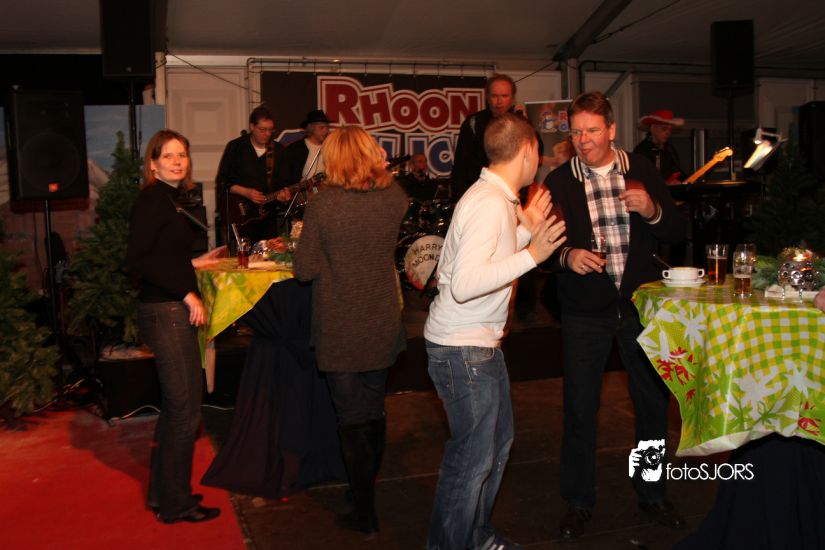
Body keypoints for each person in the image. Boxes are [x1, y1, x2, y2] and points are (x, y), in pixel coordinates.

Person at [544, 92, 688, 540]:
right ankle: (579, 501)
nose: (583, 140)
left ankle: (652, 493)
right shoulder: (559, 181)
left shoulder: (641, 169)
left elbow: (676, 230)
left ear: (611, 130)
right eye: (576, 132)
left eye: (592, 131)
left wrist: (653, 210)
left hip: (640, 305)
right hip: (585, 310)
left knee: (652, 405)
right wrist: (567, 257)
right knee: (580, 408)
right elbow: (540, 249)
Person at [425, 113, 567, 550]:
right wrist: (533, 255)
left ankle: (477, 536)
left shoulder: (497, 199)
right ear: (527, 151)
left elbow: (478, 259)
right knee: (471, 462)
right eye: (538, 152)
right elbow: (466, 284)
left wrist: (524, 231)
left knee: (496, 446)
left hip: (477, 346)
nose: (539, 160)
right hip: (463, 351)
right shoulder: (489, 203)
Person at [292, 125, 407, 534]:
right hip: (381, 318)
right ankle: (363, 491)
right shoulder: (395, 197)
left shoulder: (324, 205)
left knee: (351, 417)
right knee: (373, 410)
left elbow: (304, 270)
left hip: (340, 323)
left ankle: (364, 510)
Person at [127, 129, 226, 524]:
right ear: (152, 164)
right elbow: (139, 259)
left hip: (165, 310)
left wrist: (196, 263)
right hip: (166, 313)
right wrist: (188, 293)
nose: (177, 161)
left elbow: (161, 256)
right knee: (185, 413)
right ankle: (176, 504)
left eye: (181, 154)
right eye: (167, 155)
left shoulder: (167, 199)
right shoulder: (152, 200)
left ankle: (164, 495)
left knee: (176, 410)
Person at [215, 105, 291, 244]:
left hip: (267, 217)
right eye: (262, 129)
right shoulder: (235, 147)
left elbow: (283, 184)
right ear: (252, 126)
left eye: (270, 130)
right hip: (240, 216)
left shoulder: (279, 151)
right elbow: (222, 181)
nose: (267, 134)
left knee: (269, 255)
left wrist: (282, 197)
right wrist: (246, 192)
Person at [450, 73, 517, 201]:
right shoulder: (474, 122)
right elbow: (460, 164)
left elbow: (537, 152)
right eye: (494, 96)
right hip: (478, 193)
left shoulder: (520, 123)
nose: (499, 101)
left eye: (504, 96)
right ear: (487, 97)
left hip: (511, 193)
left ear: (512, 98)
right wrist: (459, 199)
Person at [285, 109, 332, 190]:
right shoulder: (295, 149)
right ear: (311, 128)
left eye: (327, 128)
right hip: (301, 193)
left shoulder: (331, 148)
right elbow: (286, 177)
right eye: (321, 127)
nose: (325, 131)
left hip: (326, 193)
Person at [633, 109, 685, 183]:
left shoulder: (670, 149)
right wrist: (665, 183)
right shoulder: (642, 150)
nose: (668, 133)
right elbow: (642, 177)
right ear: (653, 128)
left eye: (670, 130)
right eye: (664, 129)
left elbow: (676, 170)